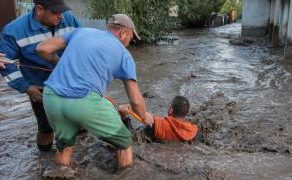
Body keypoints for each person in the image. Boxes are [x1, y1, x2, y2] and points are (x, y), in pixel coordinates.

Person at [36, 14, 154, 170]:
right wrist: (144, 116)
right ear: (123, 33)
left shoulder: (81, 31)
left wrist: (60, 63)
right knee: (125, 142)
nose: (129, 43)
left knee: (64, 147)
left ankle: (61, 171)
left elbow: (42, 48)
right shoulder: (124, 55)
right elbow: (135, 100)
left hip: (51, 96)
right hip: (83, 101)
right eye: (131, 38)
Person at [0, 0, 80, 152]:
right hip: (40, 88)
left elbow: (83, 44)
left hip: (72, 83)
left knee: (80, 121)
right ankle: (43, 159)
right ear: (39, 9)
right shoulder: (13, 31)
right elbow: (6, 63)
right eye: (56, 12)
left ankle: (78, 152)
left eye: (62, 11)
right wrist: (26, 88)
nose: (61, 17)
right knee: (46, 130)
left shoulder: (69, 19)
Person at [119, 96, 198, 142]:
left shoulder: (158, 125)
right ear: (186, 113)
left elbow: (131, 139)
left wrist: (124, 117)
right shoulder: (192, 130)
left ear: (171, 110)